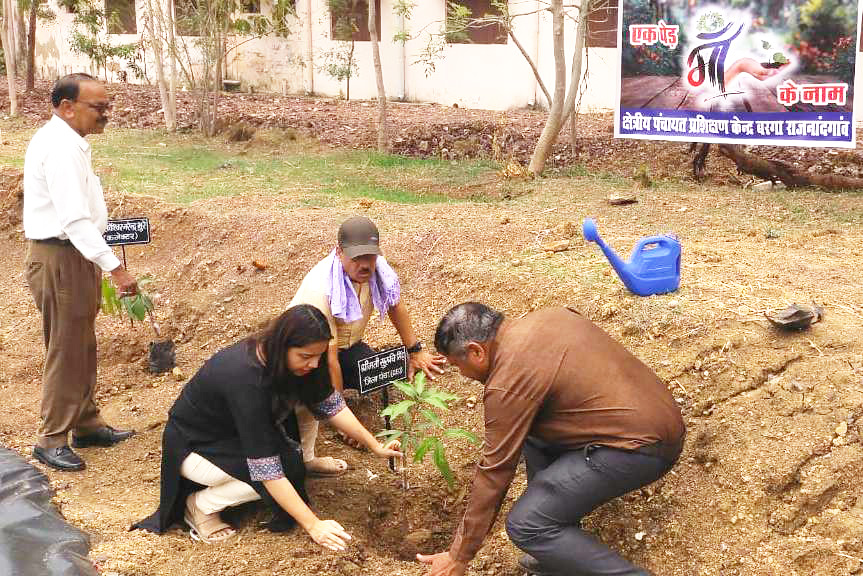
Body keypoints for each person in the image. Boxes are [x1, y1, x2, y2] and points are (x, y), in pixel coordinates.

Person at [418, 303, 686, 576]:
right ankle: (556, 553)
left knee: (527, 524)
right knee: (533, 433)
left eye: (457, 365)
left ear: (476, 351)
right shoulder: (552, 316)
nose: (462, 374)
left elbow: (495, 471)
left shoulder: (507, 380)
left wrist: (459, 555)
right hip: (661, 420)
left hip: (641, 449)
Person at [134, 305, 401, 546]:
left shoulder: (302, 359)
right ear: (282, 345)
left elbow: (332, 405)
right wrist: (313, 525)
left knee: (292, 467)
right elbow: (267, 470)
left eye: (319, 356)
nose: (314, 364)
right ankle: (200, 505)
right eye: (306, 356)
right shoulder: (246, 379)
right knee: (277, 471)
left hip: (234, 433)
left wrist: (374, 445)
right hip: (195, 445)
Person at [23, 73, 138, 472]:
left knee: (82, 343)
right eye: (98, 107)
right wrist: (116, 270)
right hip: (60, 256)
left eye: (108, 106)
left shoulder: (72, 143)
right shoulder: (59, 147)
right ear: (67, 106)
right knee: (67, 348)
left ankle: (86, 424)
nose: (105, 114)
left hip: (74, 257)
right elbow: (73, 219)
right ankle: (51, 438)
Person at [288, 216, 446, 476]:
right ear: (339, 252)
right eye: (356, 257)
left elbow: (395, 304)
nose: (365, 265)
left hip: (349, 345)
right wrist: (341, 418)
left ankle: (336, 411)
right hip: (311, 354)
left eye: (370, 257)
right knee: (310, 392)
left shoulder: (378, 271)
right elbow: (330, 357)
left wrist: (416, 351)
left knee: (372, 373)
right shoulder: (322, 288)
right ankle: (316, 439)